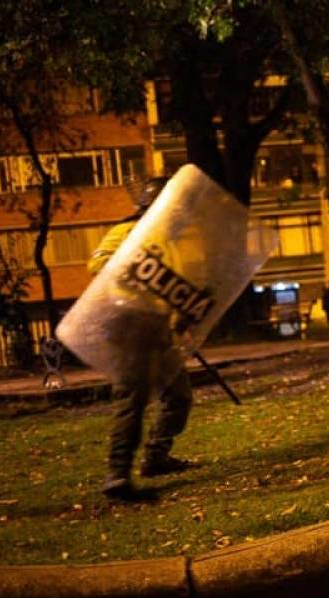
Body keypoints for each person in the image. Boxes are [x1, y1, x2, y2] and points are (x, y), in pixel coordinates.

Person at [87, 176, 194, 501]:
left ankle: (155, 457)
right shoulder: (126, 232)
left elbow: (169, 289)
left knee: (179, 396)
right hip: (127, 327)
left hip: (158, 330)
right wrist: (138, 264)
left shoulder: (171, 244)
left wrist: (181, 315)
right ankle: (117, 474)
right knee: (132, 401)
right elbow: (98, 262)